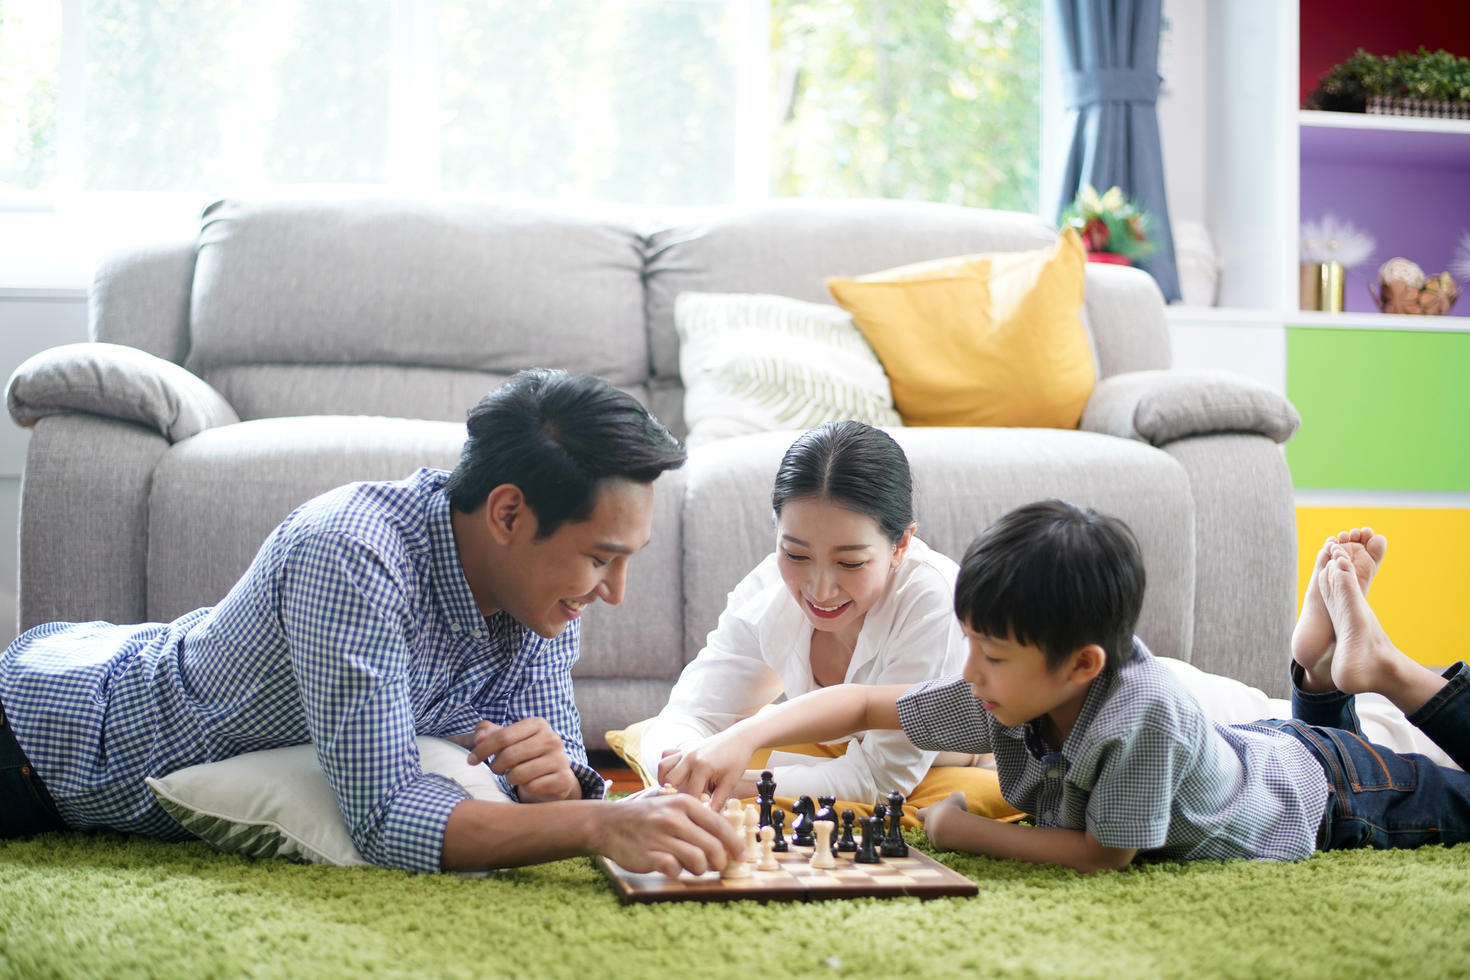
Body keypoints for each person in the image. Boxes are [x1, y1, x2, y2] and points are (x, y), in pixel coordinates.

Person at [0, 369, 742, 877]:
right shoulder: (352, 552)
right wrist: (598, 825)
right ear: (509, 513)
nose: (614, 592)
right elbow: (388, 819)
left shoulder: (542, 598)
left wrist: (565, 791)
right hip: (46, 738)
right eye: (601, 559)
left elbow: (541, 784)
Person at [661, 499, 1470, 870]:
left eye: (992, 656)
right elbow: (872, 706)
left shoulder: (1138, 717)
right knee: (1327, 740)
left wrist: (969, 833)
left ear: (1081, 665)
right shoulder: (1010, 690)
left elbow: (1103, 855)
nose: (969, 673)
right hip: (1274, 750)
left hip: (1334, 803)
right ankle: (1321, 676)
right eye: (970, 646)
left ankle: (1365, 675)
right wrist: (746, 735)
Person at [637, 420, 1018, 824]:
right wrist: (682, 762)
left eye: (849, 562)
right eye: (796, 555)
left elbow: (883, 779)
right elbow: (689, 713)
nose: (819, 590)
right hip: (836, 751)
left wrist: (728, 781)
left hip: (958, 760)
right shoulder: (769, 590)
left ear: (900, 544)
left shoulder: (931, 600)